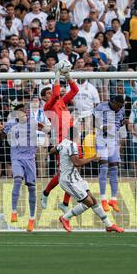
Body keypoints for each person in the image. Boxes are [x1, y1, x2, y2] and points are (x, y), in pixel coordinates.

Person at [53, 127, 124, 233]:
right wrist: (93, 158)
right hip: (69, 180)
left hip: (75, 177)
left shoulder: (63, 143)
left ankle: (109, 225)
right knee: (89, 202)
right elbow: (77, 163)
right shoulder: (72, 145)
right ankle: (65, 218)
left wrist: (62, 157)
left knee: (93, 201)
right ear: (77, 136)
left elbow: (52, 151)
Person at [40, 61, 80, 212]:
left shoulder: (62, 101)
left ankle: (64, 203)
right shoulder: (47, 106)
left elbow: (75, 90)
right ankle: (46, 193)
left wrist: (68, 76)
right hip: (61, 137)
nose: (52, 93)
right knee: (64, 171)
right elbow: (56, 93)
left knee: (73, 169)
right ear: (44, 98)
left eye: (51, 91)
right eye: (48, 93)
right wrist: (56, 75)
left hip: (72, 133)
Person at [2, 104, 39, 232]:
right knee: (17, 179)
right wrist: (2, 131)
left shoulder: (33, 124)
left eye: (25, 112)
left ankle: (31, 219)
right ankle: (13, 211)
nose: (23, 114)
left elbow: (45, 129)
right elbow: (0, 137)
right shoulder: (11, 126)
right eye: (20, 112)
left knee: (32, 188)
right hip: (16, 157)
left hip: (30, 159)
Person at [94, 95, 126, 212]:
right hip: (101, 139)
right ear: (113, 102)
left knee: (114, 169)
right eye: (118, 106)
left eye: (121, 107)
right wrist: (103, 127)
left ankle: (113, 199)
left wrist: (122, 124)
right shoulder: (101, 107)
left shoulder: (121, 109)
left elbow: (120, 122)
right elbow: (93, 121)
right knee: (103, 168)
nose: (119, 109)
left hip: (113, 140)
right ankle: (103, 199)